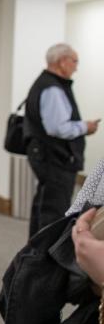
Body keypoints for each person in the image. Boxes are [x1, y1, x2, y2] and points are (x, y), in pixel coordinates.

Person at [25, 43, 100, 237]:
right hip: (56, 158)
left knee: (44, 206)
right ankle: (44, 260)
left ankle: (35, 254)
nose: (76, 66)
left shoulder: (46, 83)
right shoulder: (53, 89)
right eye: (75, 61)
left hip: (47, 156)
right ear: (62, 62)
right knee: (55, 211)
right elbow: (58, 128)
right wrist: (85, 127)